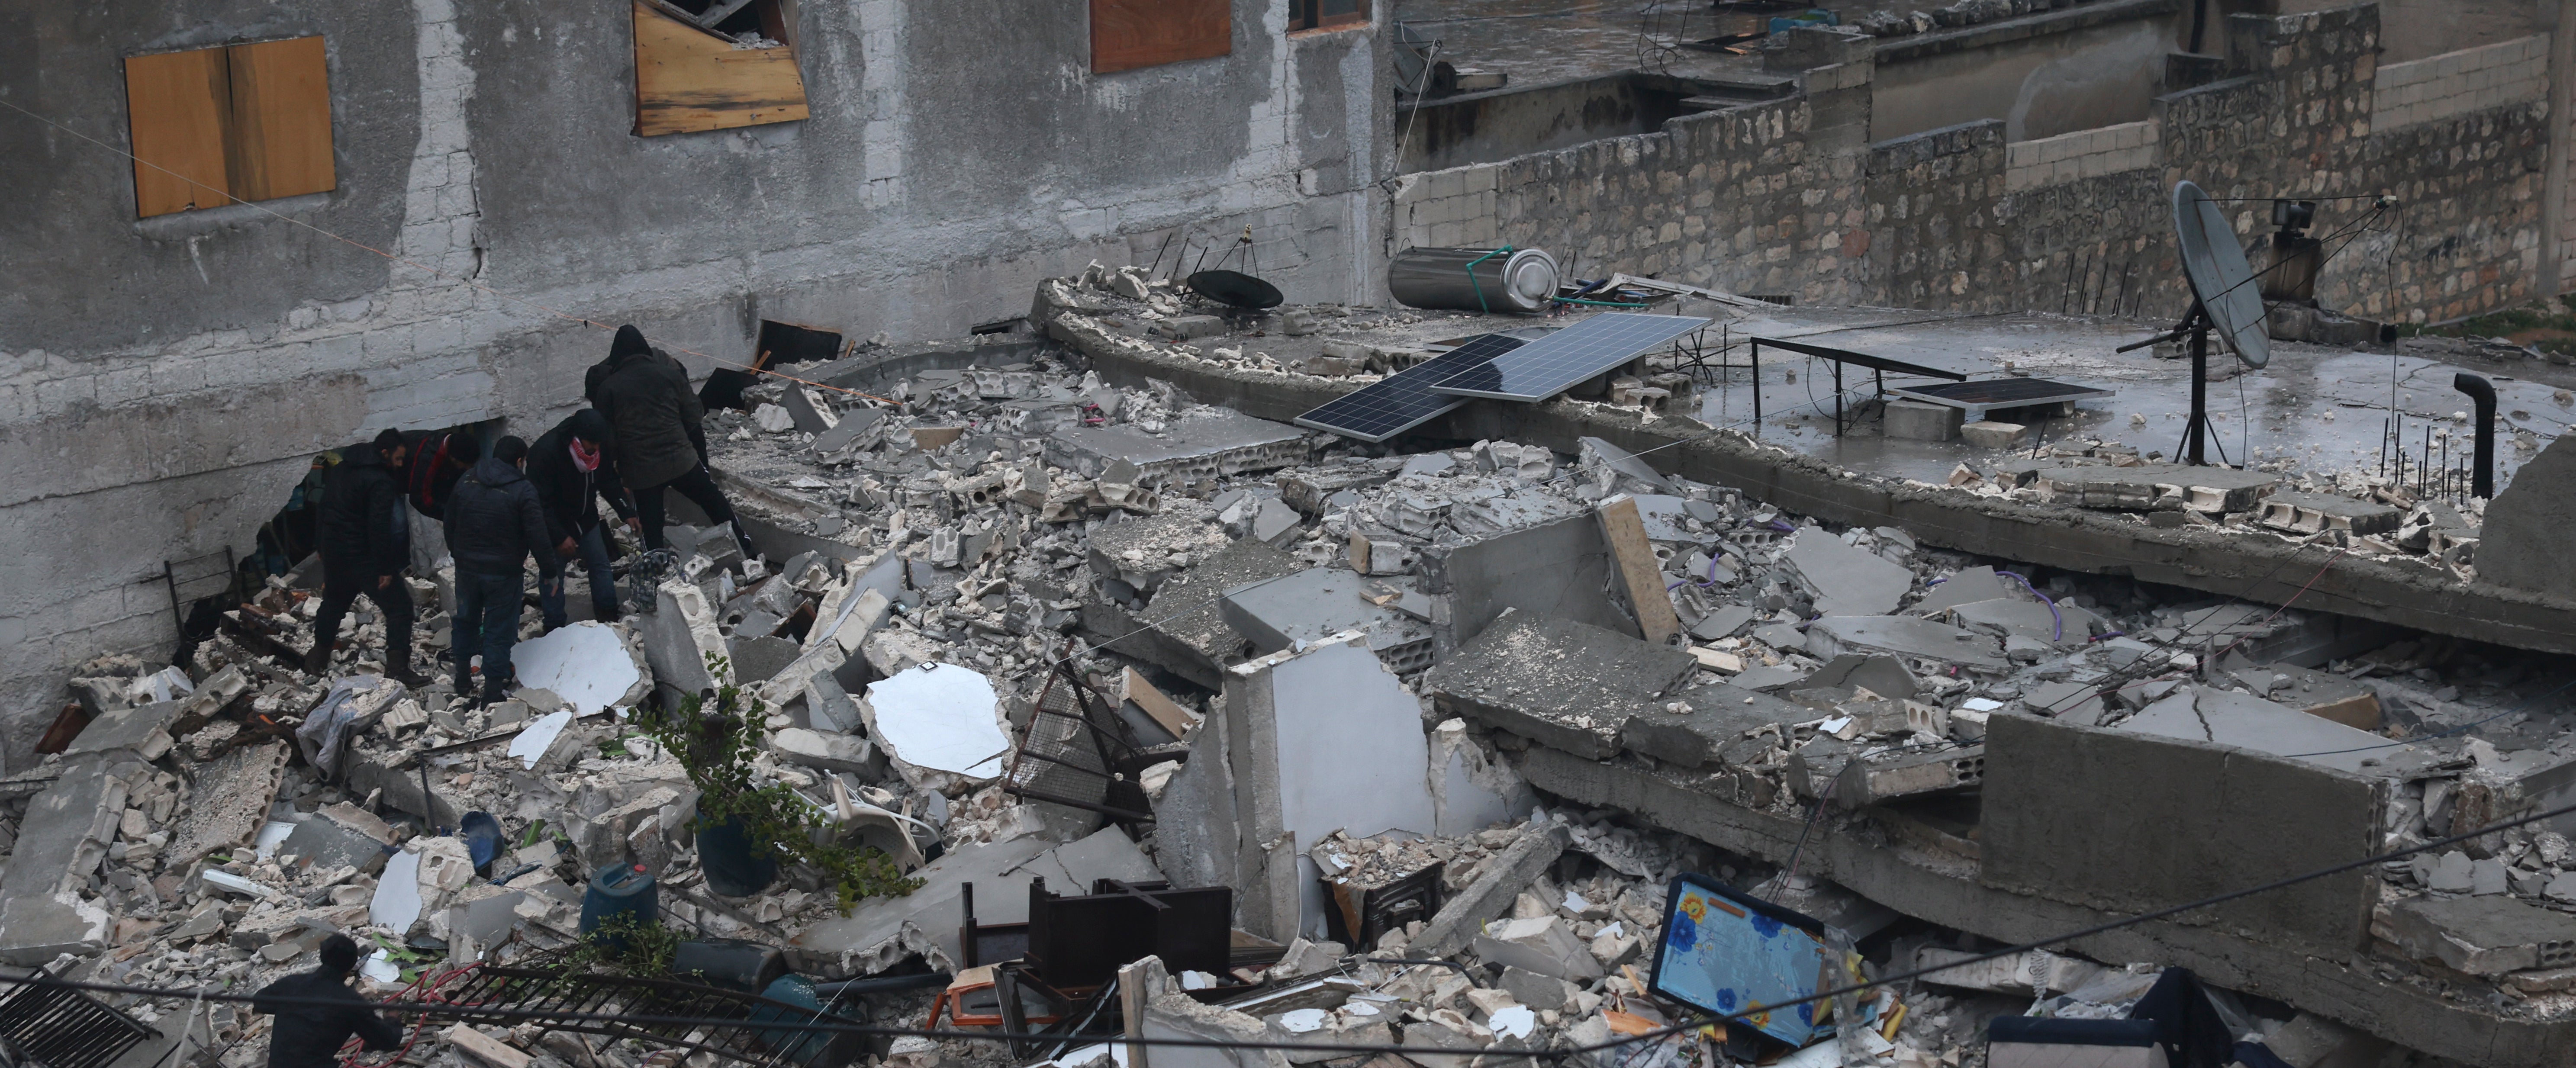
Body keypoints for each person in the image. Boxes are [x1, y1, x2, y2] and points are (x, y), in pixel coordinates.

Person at [587, 324, 755, 560]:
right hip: (681, 460)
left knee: (651, 527)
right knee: (714, 502)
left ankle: (657, 577)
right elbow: (695, 414)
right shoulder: (669, 374)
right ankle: (746, 549)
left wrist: (622, 465)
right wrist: (677, 434)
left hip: (642, 472)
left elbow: (607, 436)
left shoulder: (609, 388)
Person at [444, 436, 559, 705]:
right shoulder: (523, 490)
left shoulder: (467, 480)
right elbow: (538, 536)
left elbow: (450, 522)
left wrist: (459, 554)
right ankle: (493, 693)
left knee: (465, 620)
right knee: (499, 631)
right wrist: (550, 573)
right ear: (520, 461)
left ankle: (462, 679)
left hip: (468, 570)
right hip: (504, 574)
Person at [309, 429, 424, 685]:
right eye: (398, 459)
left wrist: (321, 545)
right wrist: (385, 568)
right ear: (384, 454)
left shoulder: (341, 470)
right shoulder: (380, 481)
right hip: (365, 557)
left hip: (336, 553)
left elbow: (324, 507)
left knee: (334, 603)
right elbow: (379, 527)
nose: (400, 465)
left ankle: (317, 658)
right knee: (400, 609)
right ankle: (398, 669)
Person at [527, 409, 640, 628]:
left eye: (599, 445)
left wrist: (626, 512)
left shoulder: (599, 447)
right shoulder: (546, 453)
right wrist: (560, 537)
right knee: (553, 575)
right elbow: (538, 504)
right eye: (592, 444)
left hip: (586, 518)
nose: (596, 450)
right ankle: (555, 628)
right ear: (576, 438)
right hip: (555, 523)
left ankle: (608, 618)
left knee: (600, 565)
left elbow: (607, 479)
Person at [252, 933, 404, 1068]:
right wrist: (393, 1018)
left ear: (322, 957)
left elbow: (260, 1002)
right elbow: (388, 1041)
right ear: (351, 965)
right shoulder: (350, 1001)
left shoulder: (291, 984)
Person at [397, 428, 482, 520]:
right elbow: (420, 499)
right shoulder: (428, 458)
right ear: (454, 459)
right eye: (467, 466)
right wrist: (453, 516)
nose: (468, 470)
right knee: (399, 523)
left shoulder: (449, 445)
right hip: (389, 480)